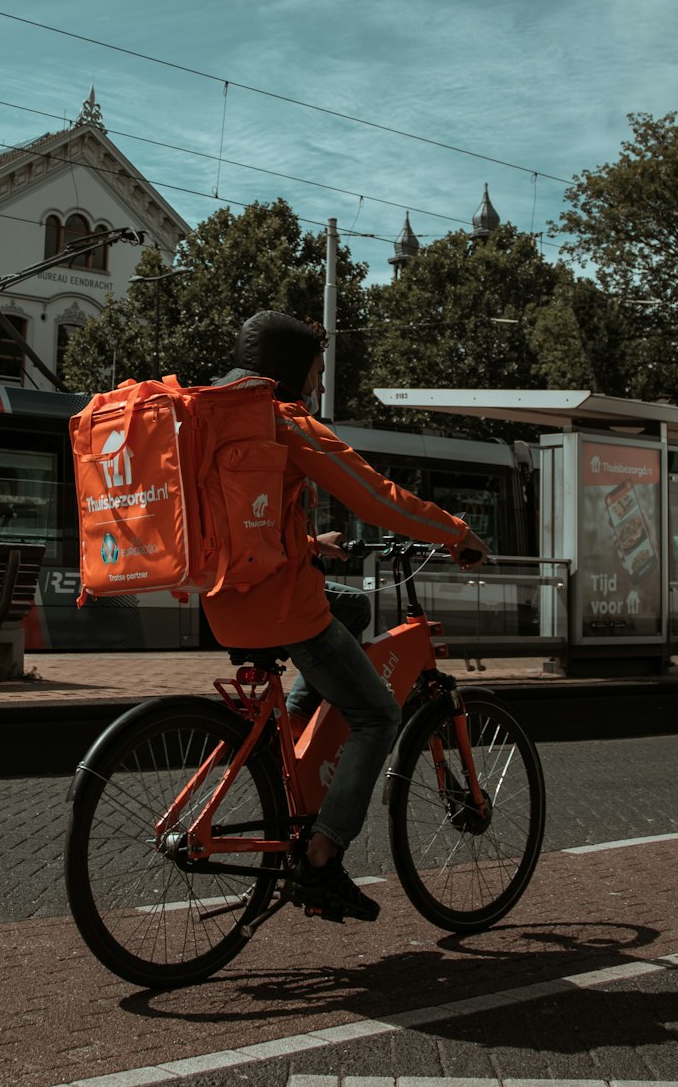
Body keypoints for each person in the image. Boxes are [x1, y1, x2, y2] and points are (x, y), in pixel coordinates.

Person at [207, 311, 489, 924]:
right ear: (290, 367)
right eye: (316, 367)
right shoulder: (282, 420)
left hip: (227, 598)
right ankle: (323, 858)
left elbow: (234, 523)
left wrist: (310, 545)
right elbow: (372, 493)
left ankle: (303, 741)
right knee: (378, 713)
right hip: (283, 607)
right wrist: (455, 533)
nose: (319, 379)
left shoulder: (209, 415)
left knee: (355, 606)